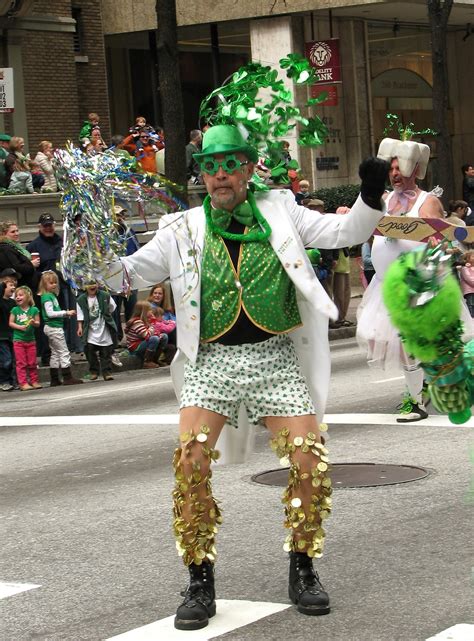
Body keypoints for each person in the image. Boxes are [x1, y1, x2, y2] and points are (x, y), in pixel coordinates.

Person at [101, 123, 388, 630]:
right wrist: (92, 250)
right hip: (210, 363)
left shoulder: (283, 212)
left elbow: (345, 233)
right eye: (210, 167)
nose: (219, 176)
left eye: (229, 164)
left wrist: (369, 194)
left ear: (249, 168)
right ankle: (199, 579)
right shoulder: (182, 228)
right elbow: (125, 274)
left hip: (275, 357)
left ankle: (303, 567)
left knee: (309, 461)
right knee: (190, 463)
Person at [357, 136, 445, 422]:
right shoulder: (382, 200)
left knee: (408, 343)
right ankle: (425, 380)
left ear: (414, 168)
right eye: (390, 168)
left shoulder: (427, 201)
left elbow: (440, 241)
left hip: (415, 283)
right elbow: (367, 233)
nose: (394, 174)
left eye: (399, 168)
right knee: (377, 338)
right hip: (384, 286)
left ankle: (415, 402)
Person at [27, 213, 83, 359]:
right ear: (39, 227)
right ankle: (48, 353)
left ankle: (68, 349)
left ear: (54, 225)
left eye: (50, 225)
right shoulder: (33, 246)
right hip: (45, 291)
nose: (48, 228)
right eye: (45, 226)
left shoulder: (63, 242)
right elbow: (31, 272)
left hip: (64, 286)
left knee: (66, 319)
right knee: (51, 322)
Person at [38, 271, 83, 387]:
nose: (53, 285)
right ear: (44, 284)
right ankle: (67, 377)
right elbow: (50, 313)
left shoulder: (50, 296)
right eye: (50, 283)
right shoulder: (47, 297)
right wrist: (65, 313)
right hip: (54, 327)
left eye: (55, 283)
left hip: (52, 327)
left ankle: (54, 378)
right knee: (63, 351)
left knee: (55, 353)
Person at [111, 206, 140, 355]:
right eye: (118, 215)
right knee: (115, 309)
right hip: (115, 278)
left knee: (132, 308)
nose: (121, 217)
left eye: (122, 214)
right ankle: (116, 338)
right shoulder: (108, 235)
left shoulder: (130, 232)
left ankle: (132, 338)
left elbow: (137, 251)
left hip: (130, 277)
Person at [76, 283, 117, 381]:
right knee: (89, 350)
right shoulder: (81, 300)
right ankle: (94, 371)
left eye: (94, 283)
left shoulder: (105, 295)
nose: (92, 286)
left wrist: (107, 314)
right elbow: (80, 314)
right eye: (89, 284)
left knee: (106, 352)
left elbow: (112, 306)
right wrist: (80, 327)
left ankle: (107, 372)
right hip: (90, 329)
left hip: (103, 328)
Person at [9, 285, 41, 391]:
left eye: (21, 295)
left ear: (28, 297)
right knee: (21, 362)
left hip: (31, 340)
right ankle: (23, 383)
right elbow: (11, 323)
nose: (18, 297)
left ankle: (34, 381)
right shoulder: (15, 310)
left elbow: (38, 323)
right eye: (16, 295)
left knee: (32, 362)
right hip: (18, 340)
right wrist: (20, 327)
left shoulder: (34, 310)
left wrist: (33, 322)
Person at [0, 220, 40, 291]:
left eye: (17, 231)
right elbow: (16, 267)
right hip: (20, 287)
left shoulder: (15, 247)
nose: (16, 233)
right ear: (4, 234)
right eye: (13, 232)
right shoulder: (6, 249)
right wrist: (31, 265)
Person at [125, 300, 165, 368]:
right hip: (135, 346)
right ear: (144, 311)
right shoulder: (137, 322)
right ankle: (147, 361)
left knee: (164, 336)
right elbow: (147, 335)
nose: (151, 311)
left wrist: (157, 333)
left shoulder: (145, 320)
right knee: (154, 339)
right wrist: (152, 324)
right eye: (149, 310)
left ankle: (154, 359)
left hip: (142, 342)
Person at [0, 268, 18, 391]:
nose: (13, 287)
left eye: (14, 284)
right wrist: (2, 283)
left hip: (12, 335)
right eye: (9, 284)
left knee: (13, 360)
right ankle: (3, 381)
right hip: (1, 335)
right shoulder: (0, 301)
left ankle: (12, 380)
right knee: (5, 360)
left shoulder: (13, 303)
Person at [459, 250, 474, 317]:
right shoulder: (465, 268)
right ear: (467, 259)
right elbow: (469, 279)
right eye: (473, 256)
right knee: (471, 305)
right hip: (469, 291)